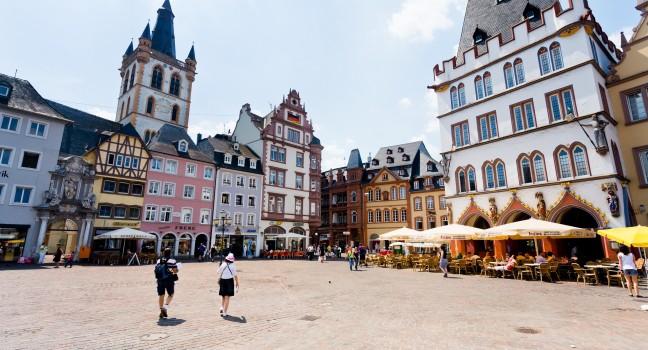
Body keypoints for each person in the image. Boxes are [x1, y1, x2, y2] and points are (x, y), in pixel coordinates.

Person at [155, 248, 178, 318]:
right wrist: (177, 270)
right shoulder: (172, 260)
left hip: (160, 279)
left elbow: (157, 269)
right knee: (171, 294)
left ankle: (161, 309)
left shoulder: (159, 260)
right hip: (169, 279)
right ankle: (165, 307)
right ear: (170, 253)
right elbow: (175, 271)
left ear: (163, 253)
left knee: (161, 295)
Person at [217, 253, 239, 317]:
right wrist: (237, 283)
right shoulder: (233, 265)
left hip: (223, 280)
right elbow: (235, 275)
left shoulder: (223, 264)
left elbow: (218, 272)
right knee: (227, 297)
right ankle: (224, 312)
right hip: (229, 281)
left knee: (223, 295)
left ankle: (221, 307)